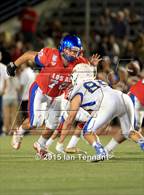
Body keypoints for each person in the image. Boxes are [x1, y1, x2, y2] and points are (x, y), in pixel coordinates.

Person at [7, 34, 101, 150]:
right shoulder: (51, 56)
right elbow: (29, 54)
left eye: (77, 51)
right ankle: (19, 131)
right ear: (64, 48)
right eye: (72, 51)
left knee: (53, 125)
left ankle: (40, 146)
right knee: (35, 122)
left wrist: (92, 66)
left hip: (57, 95)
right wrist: (14, 64)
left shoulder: (80, 63)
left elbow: (89, 77)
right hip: (40, 90)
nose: (74, 54)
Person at [55, 64, 144, 159]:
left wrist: (60, 141)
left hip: (108, 101)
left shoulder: (77, 89)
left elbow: (70, 118)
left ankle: (101, 152)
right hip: (124, 97)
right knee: (129, 131)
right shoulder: (98, 81)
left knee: (87, 131)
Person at [104, 78, 144, 155]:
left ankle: (106, 150)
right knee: (130, 130)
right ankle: (105, 151)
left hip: (139, 99)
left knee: (131, 129)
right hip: (136, 97)